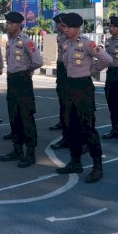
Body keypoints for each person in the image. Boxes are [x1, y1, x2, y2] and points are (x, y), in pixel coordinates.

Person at [55, 12, 112, 183]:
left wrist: (91, 71)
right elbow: (66, 64)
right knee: (71, 125)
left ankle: (97, 166)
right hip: (70, 86)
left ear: (77, 28)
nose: (65, 30)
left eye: (68, 27)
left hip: (84, 87)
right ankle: (75, 161)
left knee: (88, 127)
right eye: (63, 26)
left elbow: (106, 59)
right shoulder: (65, 44)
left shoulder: (87, 43)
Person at [0, 12, 44, 168]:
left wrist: (25, 70)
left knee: (26, 116)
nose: (8, 25)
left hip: (23, 81)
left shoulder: (26, 41)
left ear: (18, 25)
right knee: (14, 115)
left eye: (10, 23)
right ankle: (17, 149)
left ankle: (30, 153)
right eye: (7, 23)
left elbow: (38, 61)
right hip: (12, 81)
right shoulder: (10, 42)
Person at [49, 13, 69, 149]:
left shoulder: (69, 36)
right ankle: (62, 121)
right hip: (61, 67)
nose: (56, 26)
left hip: (69, 68)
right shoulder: (60, 36)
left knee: (68, 99)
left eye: (58, 24)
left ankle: (68, 129)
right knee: (61, 97)